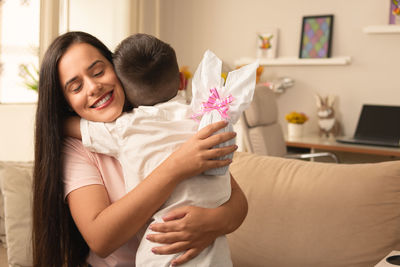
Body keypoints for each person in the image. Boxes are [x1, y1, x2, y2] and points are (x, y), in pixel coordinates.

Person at [32, 31, 248, 267]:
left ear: (118, 68)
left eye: (98, 72)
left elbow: (237, 201)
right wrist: (176, 166)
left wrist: (210, 223)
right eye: (76, 87)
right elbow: (100, 240)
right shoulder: (77, 148)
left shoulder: (173, 120)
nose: (93, 87)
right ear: (66, 102)